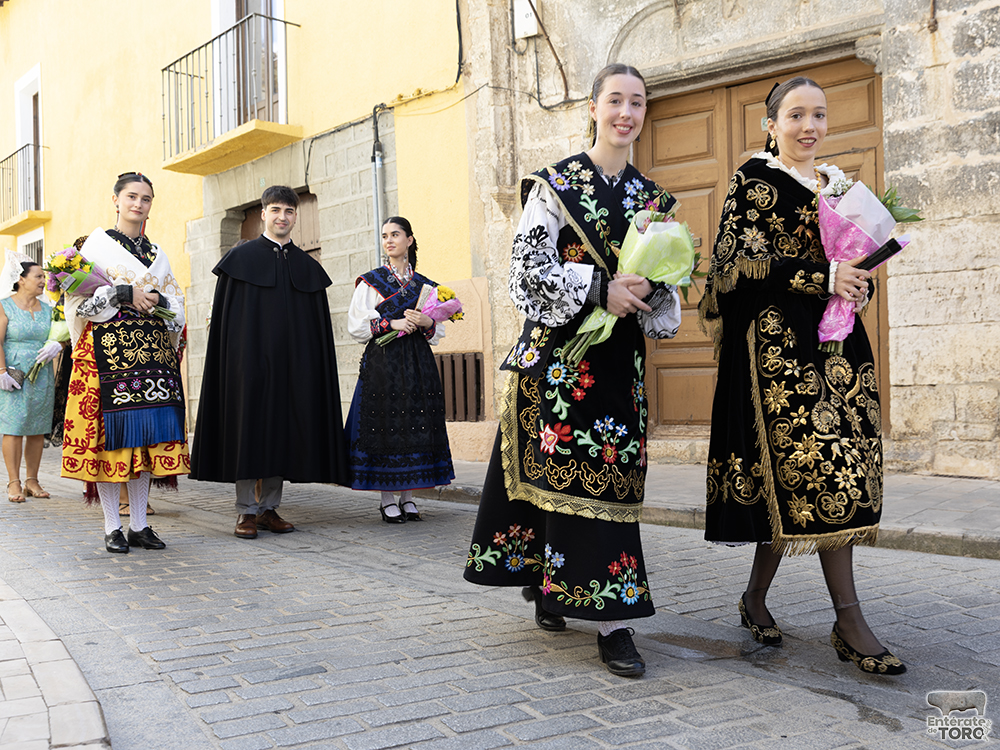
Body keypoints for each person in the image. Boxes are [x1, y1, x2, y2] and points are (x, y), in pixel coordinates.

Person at [463, 64, 682, 677]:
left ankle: (577, 598)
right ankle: (611, 622)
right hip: (559, 367)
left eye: (637, 102)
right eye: (616, 100)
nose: (626, 112)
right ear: (592, 107)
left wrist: (653, 290)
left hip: (618, 366)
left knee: (611, 486)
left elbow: (669, 303)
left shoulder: (654, 200)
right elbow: (525, 277)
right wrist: (598, 290)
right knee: (554, 482)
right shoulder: (553, 186)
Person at [698, 77, 905, 675]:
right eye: (795, 115)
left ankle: (755, 597)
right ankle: (848, 618)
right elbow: (733, 266)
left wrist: (854, 282)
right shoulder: (752, 179)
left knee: (813, 479)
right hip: (780, 355)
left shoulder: (837, 186)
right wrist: (823, 276)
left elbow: (849, 257)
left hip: (839, 347)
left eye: (817, 114)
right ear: (771, 124)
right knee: (814, 472)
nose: (808, 126)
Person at [190, 186, 350, 538]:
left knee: (283, 432)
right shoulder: (241, 259)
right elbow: (227, 324)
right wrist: (238, 365)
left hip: (292, 370)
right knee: (250, 431)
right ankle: (246, 511)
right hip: (249, 367)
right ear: (263, 213)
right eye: (275, 209)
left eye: (289, 211)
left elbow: (316, 330)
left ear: (296, 216)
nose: (282, 217)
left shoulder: (308, 268)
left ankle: (269, 509)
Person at [61, 172, 189, 553]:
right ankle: (111, 526)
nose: (138, 204)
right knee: (109, 443)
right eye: (131, 196)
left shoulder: (159, 255)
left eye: (146, 198)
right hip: (104, 356)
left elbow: (178, 308)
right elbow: (78, 304)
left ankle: (139, 524)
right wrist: (122, 292)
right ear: (115, 200)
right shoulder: (93, 248)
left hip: (152, 356)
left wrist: (158, 301)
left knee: (146, 441)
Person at [345, 217, 455, 523]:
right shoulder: (371, 282)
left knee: (416, 425)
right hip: (384, 362)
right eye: (384, 236)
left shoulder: (426, 286)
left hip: (418, 363)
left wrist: (426, 323)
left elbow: (438, 332)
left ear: (409, 239)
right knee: (386, 426)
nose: (389, 240)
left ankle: (409, 498)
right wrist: (390, 323)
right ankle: (387, 498)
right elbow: (355, 325)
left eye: (395, 234)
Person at [0, 255, 59, 502]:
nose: (43, 281)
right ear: (21, 280)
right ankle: (13, 482)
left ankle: (32, 481)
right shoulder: (4, 305)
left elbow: (60, 335)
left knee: (37, 428)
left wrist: (58, 344)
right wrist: (1, 371)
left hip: (42, 372)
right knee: (14, 427)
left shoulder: (48, 309)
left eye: (44, 277)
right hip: (14, 372)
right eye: (38, 276)